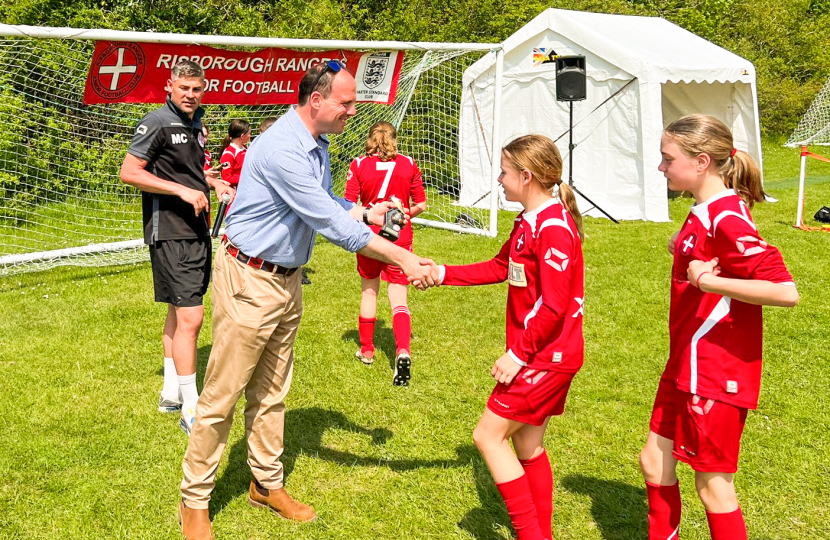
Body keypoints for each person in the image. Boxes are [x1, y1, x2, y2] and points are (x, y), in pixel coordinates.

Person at [177, 60, 437, 540]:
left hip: (287, 280)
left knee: (272, 392)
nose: (352, 110)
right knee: (222, 396)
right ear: (316, 100)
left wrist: (364, 207)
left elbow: (326, 202)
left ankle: (265, 484)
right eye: (346, 101)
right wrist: (404, 256)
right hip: (249, 282)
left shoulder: (318, 143)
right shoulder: (282, 149)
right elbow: (331, 225)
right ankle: (194, 501)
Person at [639, 115, 799, 540]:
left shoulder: (727, 216)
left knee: (714, 486)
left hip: (715, 370)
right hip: (685, 364)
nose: (661, 167)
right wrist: (683, 247)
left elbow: (785, 291)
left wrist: (707, 280)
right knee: (654, 463)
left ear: (702, 161)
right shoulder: (704, 210)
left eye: (667, 158)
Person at [427, 134, 584, 540]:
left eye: (504, 171)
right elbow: (499, 267)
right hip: (542, 353)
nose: (499, 179)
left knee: (487, 436)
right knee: (528, 447)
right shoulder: (527, 221)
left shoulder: (553, 227)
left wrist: (518, 354)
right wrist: (442, 272)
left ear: (527, 176)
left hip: (546, 357)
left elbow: (553, 304)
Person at [120, 59, 235, 435]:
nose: (190, 95)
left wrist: (210, 183)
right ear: (170, 85)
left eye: (196, 88)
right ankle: (192, 406)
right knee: (192, 318)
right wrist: (183, 190)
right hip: (169, 229)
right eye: (184, 88)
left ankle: (171, 391)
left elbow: (187, 171)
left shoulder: (197, 120)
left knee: (178, 310)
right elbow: (130, 172)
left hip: (195, 227)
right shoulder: (156, 122)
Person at [344, 121, 427, 385]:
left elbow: (348, 204)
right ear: (395, 138)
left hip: (369, 235)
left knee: (369, 290)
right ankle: (402, 350)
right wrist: (402, 214)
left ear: (370, 139)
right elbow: (421, 204)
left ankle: (367, 350)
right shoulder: (408, 164)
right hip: (399, 238)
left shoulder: (358, 164)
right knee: (399, 295)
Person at [219, 119, 251, 188]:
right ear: (242, 136)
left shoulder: (245, 149)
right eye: (249, 133)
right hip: (236, 193)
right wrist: (247, 178)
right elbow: (226, 179)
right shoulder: (229, 154)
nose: (250, 136)